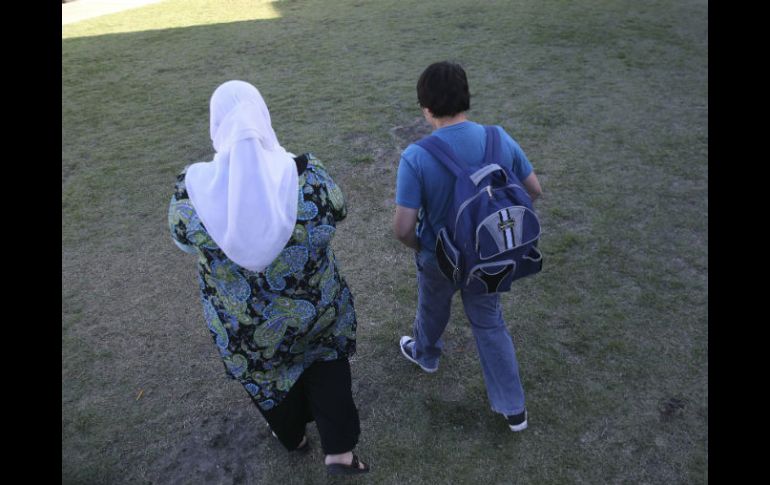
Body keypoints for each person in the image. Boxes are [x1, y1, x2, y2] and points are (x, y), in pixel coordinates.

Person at [168, 80, 369, 475]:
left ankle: (293, 437)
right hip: (319, 311)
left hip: (244, 329)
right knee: (327, 363)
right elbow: (340, 209)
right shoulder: (310, 178)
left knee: (265, 379)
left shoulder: (190, 194)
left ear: (217, 125)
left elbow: (183, 241)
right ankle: (340, 453)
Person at [393, 62, 542, 432]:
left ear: (426, 108)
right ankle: (513, 408)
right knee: (490, 323)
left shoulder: (416, 156)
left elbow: (403, 228)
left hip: (439, 257)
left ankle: (426, 355)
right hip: (489, 258)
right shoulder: (498, 138)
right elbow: (534, 191)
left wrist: (421, 248)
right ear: (466, 99)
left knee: (432, 308)